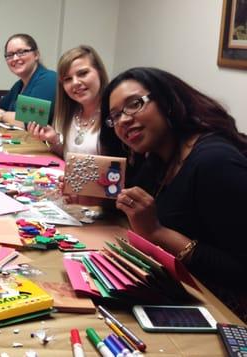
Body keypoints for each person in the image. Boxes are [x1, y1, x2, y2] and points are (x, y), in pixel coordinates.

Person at [99, 67, 247, 321]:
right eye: (115, 116)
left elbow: (241, 271)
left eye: (134, 104)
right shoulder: (158, 157)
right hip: (176, 292)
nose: (123, 120)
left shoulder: (215, 162)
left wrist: (159, 233)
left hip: (224, 314)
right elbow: (130, 213)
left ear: (167, 102)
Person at [27, 45, 108, 157]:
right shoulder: (70, 112)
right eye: (68, 79)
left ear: (100, 72)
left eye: (83, 73)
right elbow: (71, 158)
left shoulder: (114, 116)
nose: (75, 82)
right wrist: (54, 140)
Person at [0, 33, 56, 128]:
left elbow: (31, 121)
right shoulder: (20, 84)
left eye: (21, 52)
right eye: (10, 55)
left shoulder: (49, 79)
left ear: (36, 55)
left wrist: (2, 115)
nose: (15, 58)